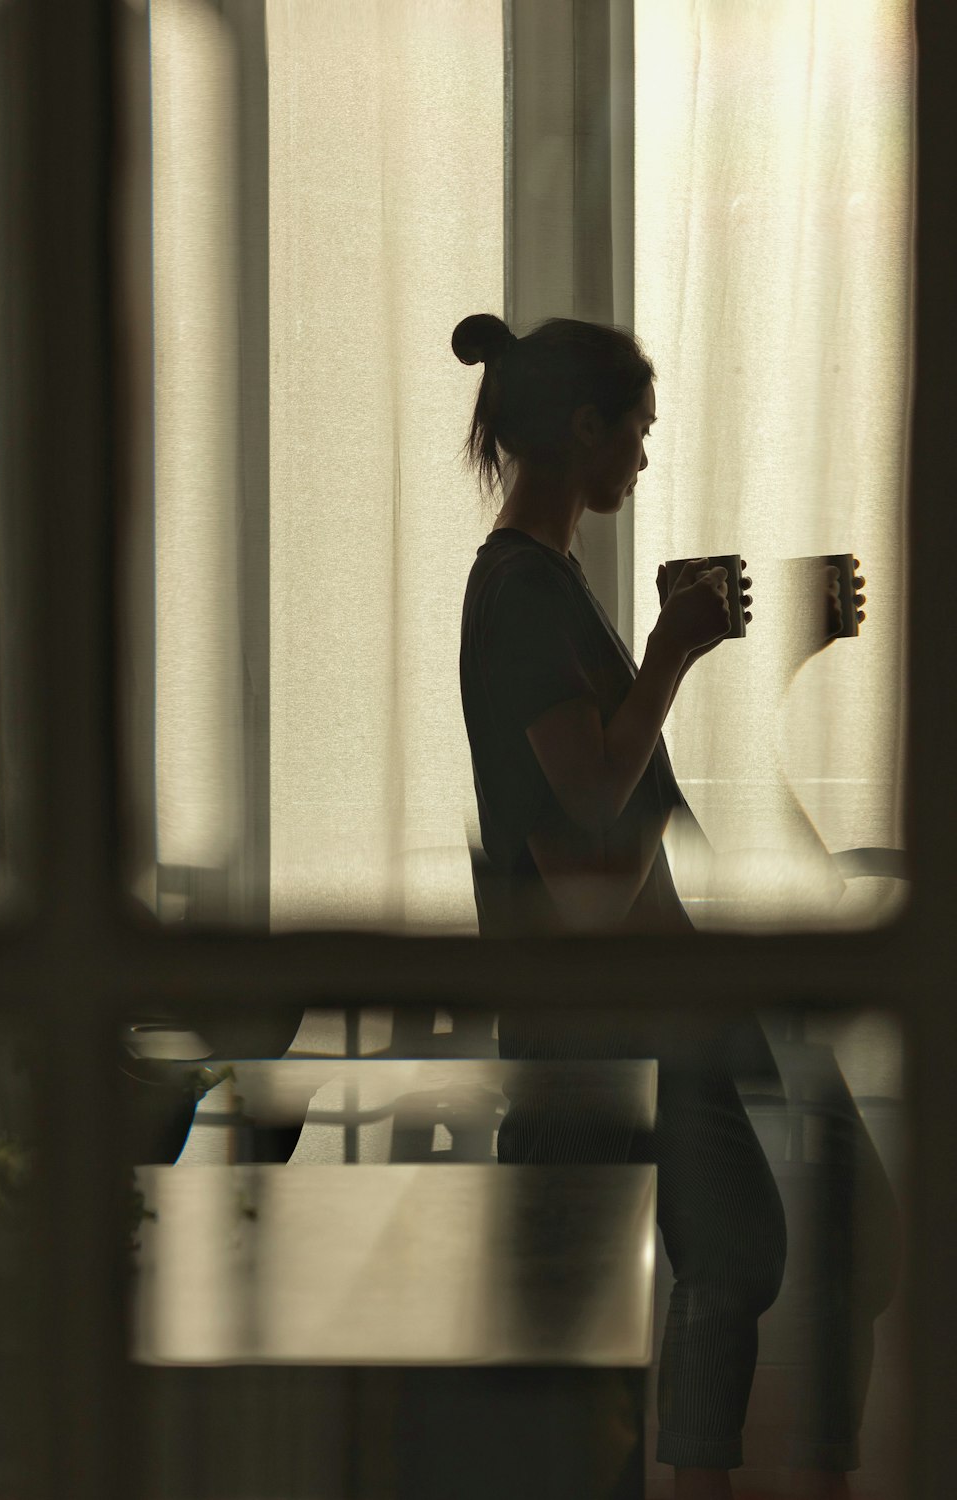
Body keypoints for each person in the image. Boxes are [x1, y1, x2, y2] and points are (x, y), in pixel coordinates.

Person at [454, 312, 863, 1500]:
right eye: (632, 436)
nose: (640, 462)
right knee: (592, 1310)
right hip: (592, 1020)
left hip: (643, 1013)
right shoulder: (520, 593)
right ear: (580, 430)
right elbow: (588, 807)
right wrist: (670, 655)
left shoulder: (550, 583)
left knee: (730, 1254)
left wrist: (677, 644)